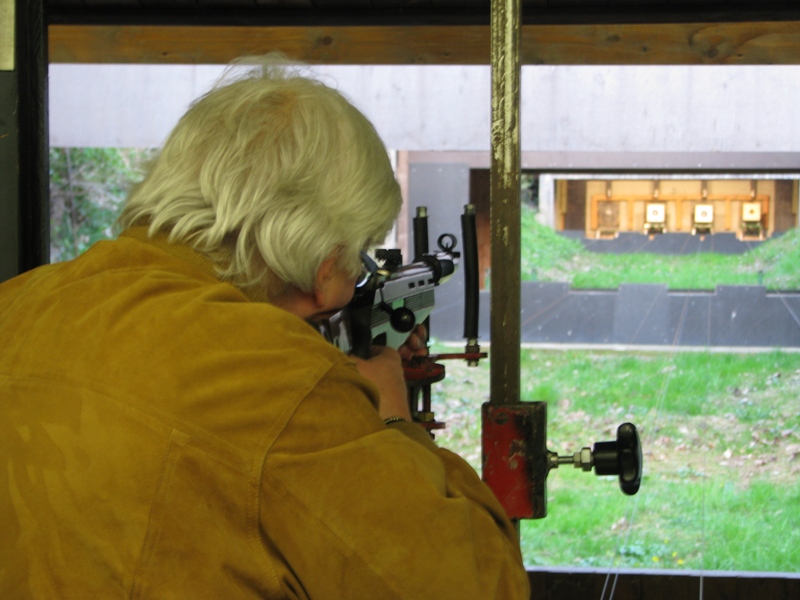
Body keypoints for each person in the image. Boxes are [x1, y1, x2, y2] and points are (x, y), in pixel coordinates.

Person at [0, 55, 530, 599]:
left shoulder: (17, 304)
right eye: (357, 254)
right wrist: (393, 422)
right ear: (325, 264)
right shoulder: (283, 381)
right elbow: (482, 587)